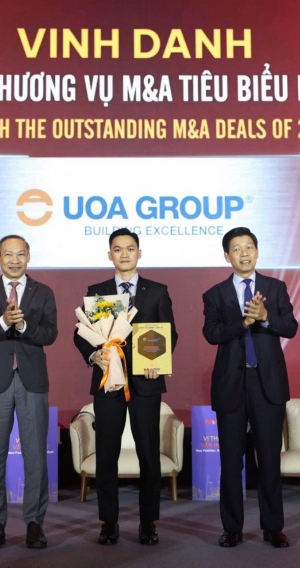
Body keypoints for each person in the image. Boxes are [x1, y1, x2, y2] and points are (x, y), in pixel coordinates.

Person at [74, 228, 178, 546]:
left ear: (139, 253)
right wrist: (92, 355)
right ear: (110, 255)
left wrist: (157, 361)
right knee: (107, 454)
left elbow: (169, 333)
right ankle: (109, 522)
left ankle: (148, 522)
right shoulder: (99, 292)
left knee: (149, 454)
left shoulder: (157, 291)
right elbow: (81, 333)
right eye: (117, 249)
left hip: (147, 382)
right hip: (109, 381)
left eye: (130, 248)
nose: (124, 254)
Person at [202, 227, 298, 549]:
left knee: (269, 459)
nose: (244, 253)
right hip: (231, 385)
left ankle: (273, 528)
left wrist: (266, 316)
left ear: (257, 252)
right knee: (231, 462)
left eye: (249, 247)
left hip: (267, 385)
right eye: (236, 249)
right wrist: (241, 323)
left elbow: (291, 327)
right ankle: (232, 529)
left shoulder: (275, 288)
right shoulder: (215, 294)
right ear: (226, 256)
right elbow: (211, 334)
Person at [0, 234, 58, 550]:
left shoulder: (43, 292)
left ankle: (35, 524)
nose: (15, 260)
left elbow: (51, 334)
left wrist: (23, 327)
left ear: (29, 257)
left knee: (36, 457)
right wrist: (2, 321)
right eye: (8, 254)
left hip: (32, 381)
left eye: (21, 254)